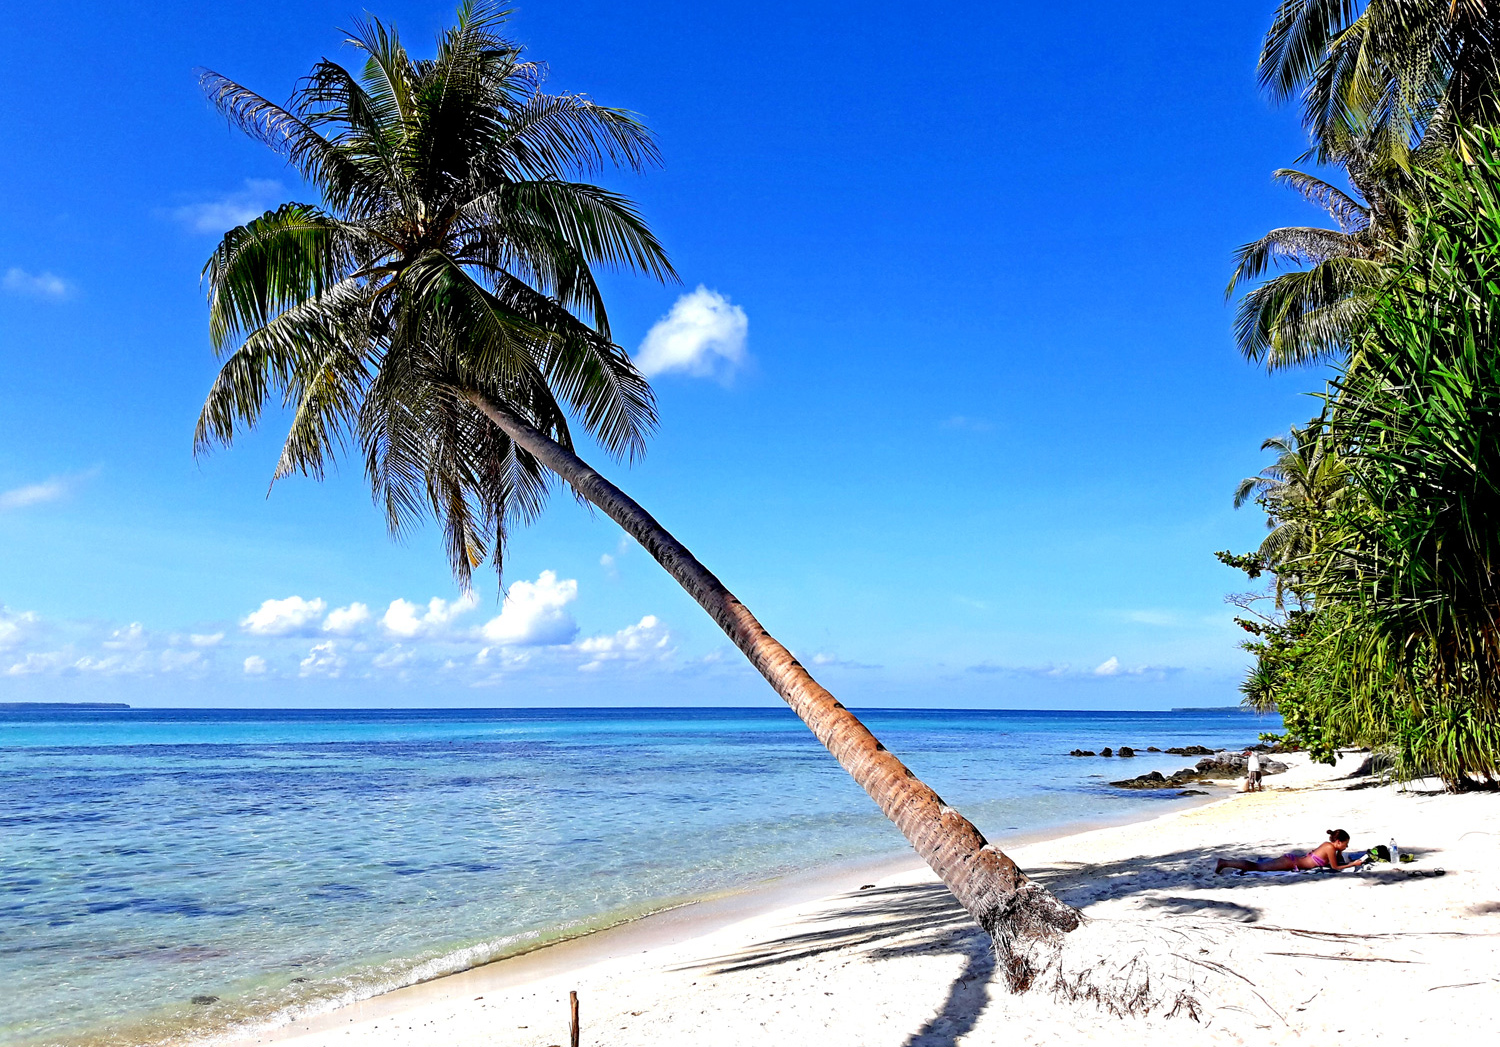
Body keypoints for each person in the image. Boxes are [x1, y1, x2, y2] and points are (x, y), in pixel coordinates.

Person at [1215, 829, 1366, 874]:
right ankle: (1225, 862)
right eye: (1345, 844)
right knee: (1257, 867)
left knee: (1258, 866)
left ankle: (1226, 863)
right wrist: (1353, 863)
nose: (1346, 847)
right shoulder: (1330, 848)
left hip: (1293, 860)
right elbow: (1335, 867)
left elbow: (1336, 860)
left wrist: (1341, 854)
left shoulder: (1329, 846)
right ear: (1338, 842)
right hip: (1291, 862)